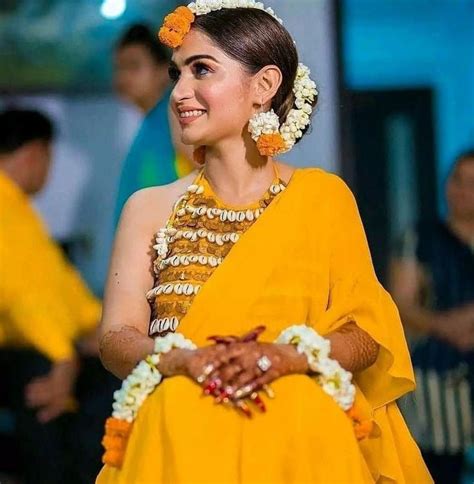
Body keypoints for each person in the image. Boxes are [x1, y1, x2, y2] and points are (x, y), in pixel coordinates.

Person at [97, 2, 432, 482]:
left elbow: (366, 337)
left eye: (201, 70)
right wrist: (182, 360)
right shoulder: (147, 207)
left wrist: (285, 358)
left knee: (300, 409)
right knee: (176, 407)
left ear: (264, 85)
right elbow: (116, 339)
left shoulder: (322, 198)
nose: (179, 92)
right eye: (176, 74)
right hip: (179, 429)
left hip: (300, 431)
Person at [0, 108, 116, 484]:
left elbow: (59, 285)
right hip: (24, 354)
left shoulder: (18, 209)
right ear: (35, 154)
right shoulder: (7, 212)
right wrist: (63, 358)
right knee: (47, 383)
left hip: (42, 345)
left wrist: (99, 326)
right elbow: (20, 297)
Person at [390, 150, 474, 484]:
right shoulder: (420, 238)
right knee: (437, 471)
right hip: (436, 381)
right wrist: (447, 327)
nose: (463, 191)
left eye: (472, 183)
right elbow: (400, 305)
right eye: (457, 180)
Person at [113, 23, 194, 223]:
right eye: (119, 68)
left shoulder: (177, 112)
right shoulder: (147, 125)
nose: (123, 77)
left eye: (133, 66)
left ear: (163, 71)